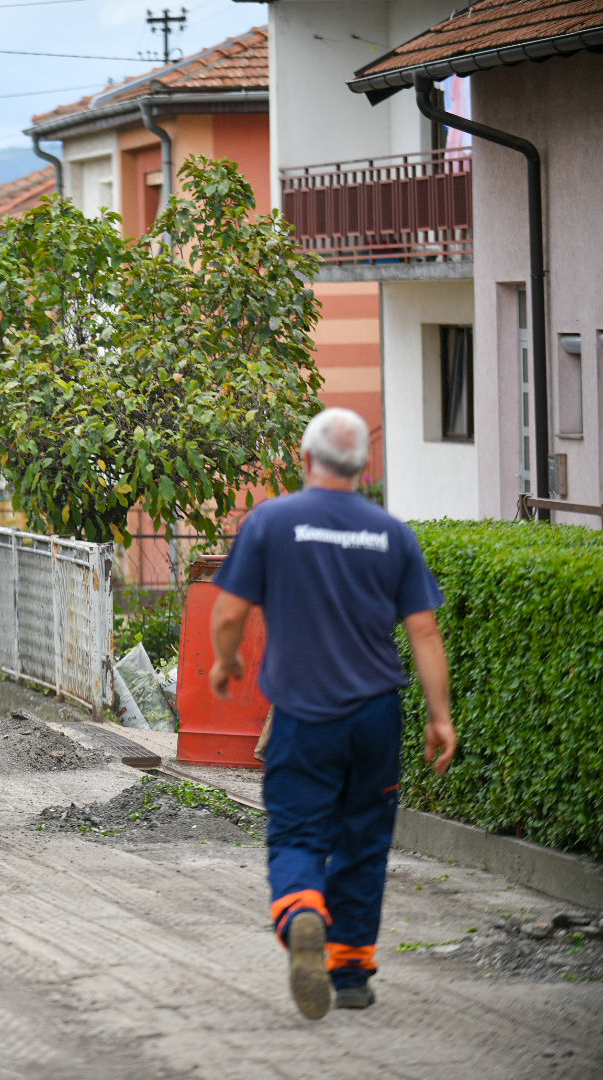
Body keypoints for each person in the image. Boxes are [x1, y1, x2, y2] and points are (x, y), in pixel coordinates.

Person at [208, 407, 457, 1020]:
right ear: (363, 467)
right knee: (364, 839)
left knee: (298, 831)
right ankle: (349, 974)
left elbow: (228, 613)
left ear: (304, 460)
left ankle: (302, 915)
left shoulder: (271, 520)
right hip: (376, 714)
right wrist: (440, 716)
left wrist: (224, 662)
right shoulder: (390, 532)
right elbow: (423, 629)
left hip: (302, 713)